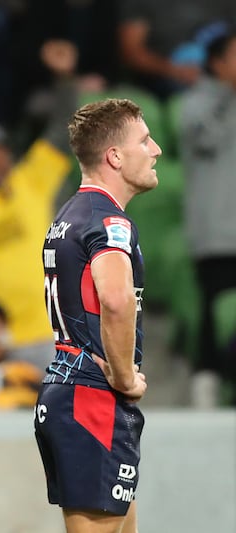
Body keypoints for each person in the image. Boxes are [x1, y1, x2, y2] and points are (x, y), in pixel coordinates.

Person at [34, 98, 160, 533]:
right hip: (91, 397)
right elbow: (116, 299)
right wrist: (125, 377)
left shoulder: (70, 216)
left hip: (74, 390)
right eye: (145, 140)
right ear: (115, 156)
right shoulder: (109, 223)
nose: (156, 149)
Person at [0, 40, 81, 375]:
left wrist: (64, 79)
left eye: (1, 151)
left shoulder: (29, 181)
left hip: (55, 333)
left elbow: (61, 131)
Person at [178, 31, 236, 406]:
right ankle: (206, 378)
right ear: (216, 62)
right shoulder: (195, 104)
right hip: (216, 230)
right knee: (212, 306)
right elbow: (206, 139)